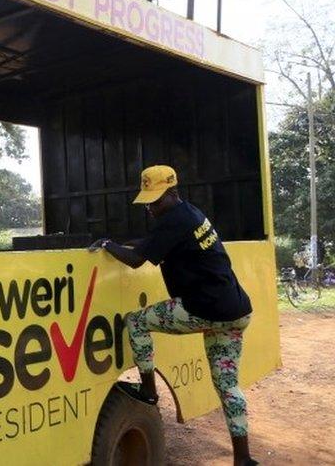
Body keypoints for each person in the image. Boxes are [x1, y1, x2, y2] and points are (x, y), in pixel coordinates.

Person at [88, 165, 257, 466]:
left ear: (173, 192)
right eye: (148, 202)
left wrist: (106, 244)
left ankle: (149, 392)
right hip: (236, 311)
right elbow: (152, 245)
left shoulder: (173, 221)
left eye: (156, 200)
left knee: (136, 322)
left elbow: (137, 259)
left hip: (203, 309)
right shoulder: (191, 214)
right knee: (228, 386)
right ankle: (243, 458)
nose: (151, 208)